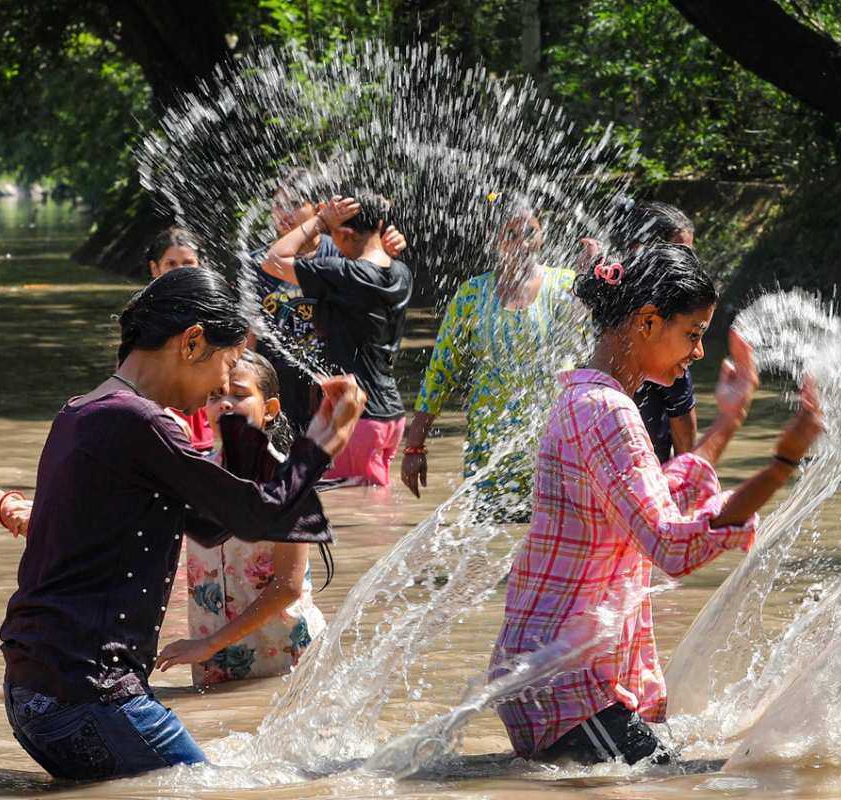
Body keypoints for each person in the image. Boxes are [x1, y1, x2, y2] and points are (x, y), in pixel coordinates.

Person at [0, 267, 365, 781]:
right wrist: (326, 439)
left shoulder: (80, 411)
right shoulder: (140, 421)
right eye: (227, 363)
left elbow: (212, 527)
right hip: (92, 696)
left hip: (34, 697)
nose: (222, 385)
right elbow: (260, 516)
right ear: (192, 342)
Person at [494, 243, 824, 765]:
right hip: (567, 687)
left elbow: (659, 496)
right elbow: (670, 545)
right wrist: (781, 463)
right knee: (677, 783)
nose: (697, 353)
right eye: (692, 334)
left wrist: (729, 422)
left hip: (556, 674)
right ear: (647, 322)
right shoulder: (607, 412)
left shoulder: (587, 398)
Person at [157, 350, 327, 687]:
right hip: (213, 659)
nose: (225, 404)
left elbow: (287, 586)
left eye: (240, 394)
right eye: (215, 395)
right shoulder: (195, 476)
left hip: (285, 659)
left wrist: (209, 644)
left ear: (270, 410)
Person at [401, 196, 574, 518]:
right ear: (494, 240)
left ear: (542, 235)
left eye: (530, 232)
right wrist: (414, 445)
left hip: (556, 450)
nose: (522, 243)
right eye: (511, 234)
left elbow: (600, 353)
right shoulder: (472, 294)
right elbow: (440, 371)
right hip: (490, 451)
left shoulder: (566, 285)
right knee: (487, 550)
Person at [263, 192, 413, 487]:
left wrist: (320, 221)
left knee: (353, 512)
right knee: (373, 506)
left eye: (334, 234)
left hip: (358, 417)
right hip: (392, 415)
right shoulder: (401, 271)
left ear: (343, 234)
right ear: (380, 226)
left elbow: (274, 259)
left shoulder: (344, 274)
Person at [612, 201, 700, 461]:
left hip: (643, 466)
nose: (688, 263)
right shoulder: (663, 312)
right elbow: (683, 418)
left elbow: (681, 410)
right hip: (637, 465)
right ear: (642, 249)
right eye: (680, 252)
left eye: (690, 254)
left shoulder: (616, 292)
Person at [143, 227, 214, 450]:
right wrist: (161, 414)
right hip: (161, 416)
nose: (180, 271)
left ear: (200, 265)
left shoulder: (213, 310)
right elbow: (128, 374)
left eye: (188, 263)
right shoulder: (143, 313)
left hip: (205, 421)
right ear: (155, 269)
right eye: (171, 264)